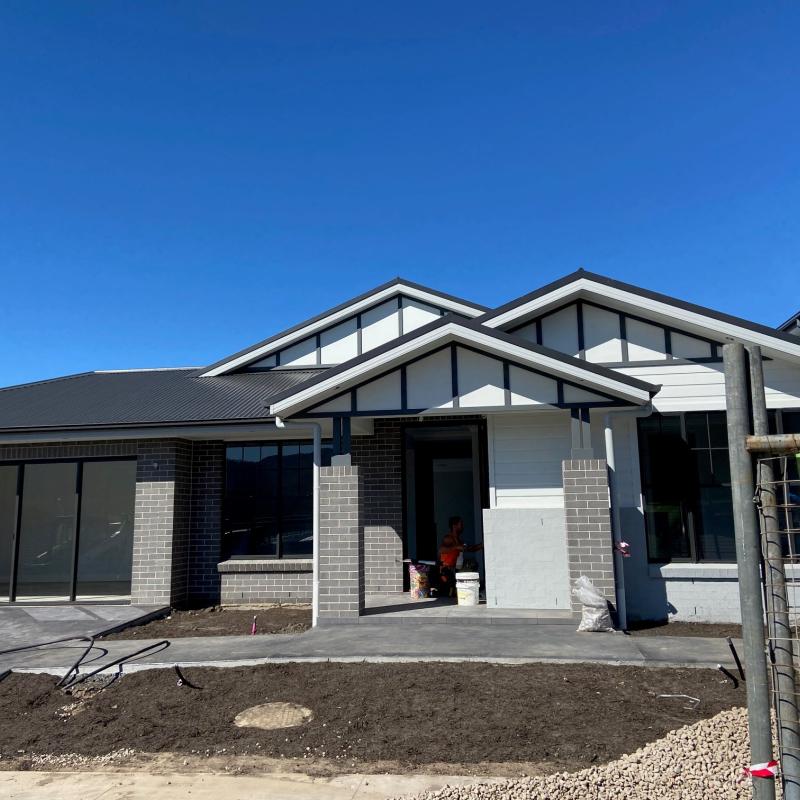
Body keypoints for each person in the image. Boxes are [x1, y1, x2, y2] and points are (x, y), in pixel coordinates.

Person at [436, 516, 482, 597]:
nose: (462, 526)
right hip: (447, 570)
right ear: (454, 526)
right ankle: (454, 587)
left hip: (456, 568)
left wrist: (481, 545)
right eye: (461, 524)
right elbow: (441, 550)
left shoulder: (458, 540)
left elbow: (470, 549)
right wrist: (456, 547)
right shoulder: (448, 538)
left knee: (472, 564)